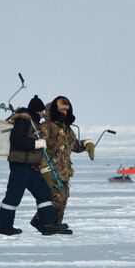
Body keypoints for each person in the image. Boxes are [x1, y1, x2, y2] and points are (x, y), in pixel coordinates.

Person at [0, 95, 67, 236]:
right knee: (13, 197)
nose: (42, 114)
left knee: (44, 193)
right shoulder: (24, 121)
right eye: (41, 111)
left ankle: (47, 224)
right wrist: (35, 144)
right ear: (36, 111)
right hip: (20, 167)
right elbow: (16, 141)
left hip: (31, 168)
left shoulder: (33, 121)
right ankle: (5, 227)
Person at [33, 96, 95, 232]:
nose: (64, 112)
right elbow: (39, 148)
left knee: (63, 199)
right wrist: (44, 169)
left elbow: (74, 145)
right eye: (61, 109)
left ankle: (56, 224)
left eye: (66, 110)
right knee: (54, 198)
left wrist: (86, 144)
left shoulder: (67, 129)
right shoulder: (47, 127)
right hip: (51, 170)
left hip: (64, 171)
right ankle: (43, 221)